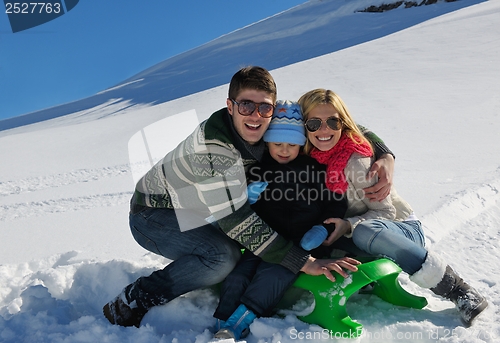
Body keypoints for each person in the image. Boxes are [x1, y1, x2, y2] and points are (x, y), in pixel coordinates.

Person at [102, 66, 392, 328]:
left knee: (243, 246)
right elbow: (237, 220)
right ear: (230, 106)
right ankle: (137, 297)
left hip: (204, 210)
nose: (255, 115)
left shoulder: (270, 125)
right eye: (246, 105)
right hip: (155, 213)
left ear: (273, 108)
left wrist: (384, 153)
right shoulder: (214, 149)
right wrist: (301, 261)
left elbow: (338, 124)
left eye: (264, 107)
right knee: (221, 258)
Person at [298, 88, 488, 326]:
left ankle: (459, 290)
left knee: (364, 230)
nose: (324, 130)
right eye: (314, 123)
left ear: (342, 123)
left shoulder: (357, 161)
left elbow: (385, 212)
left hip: (396, 230)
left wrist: (348, 224)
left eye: (333, 122)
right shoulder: (305, 157)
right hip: (351, 235)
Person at [212, 100, 359, 340]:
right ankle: (222, 321)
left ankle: (239, 323)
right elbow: (240, 208)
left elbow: (335, 201)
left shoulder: (315, 169)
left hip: (301, 243)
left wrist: (321, 229)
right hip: (263, 239)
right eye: (277, 143)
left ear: (301, 145)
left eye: (292, 144)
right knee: (239, 274)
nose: (284, 150)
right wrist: (247, 198)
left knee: (274, 274)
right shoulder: (258, 169)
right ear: (267, 142)